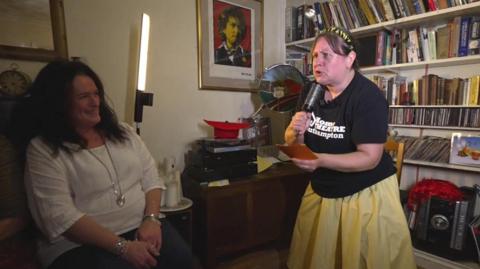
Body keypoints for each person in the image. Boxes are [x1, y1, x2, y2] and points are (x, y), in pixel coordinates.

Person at [21, 60, 192, 269]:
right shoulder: (43, 149)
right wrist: (124, 248)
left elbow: (151, 179)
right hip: (78, 244)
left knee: (182, 259)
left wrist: (152, 219)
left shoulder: (125, 132)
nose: (95, 102)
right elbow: (60, 216)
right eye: (84, 97)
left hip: (142, 225)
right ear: (58, 103)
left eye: (96, 94)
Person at [284, 27, 416, 269]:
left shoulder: (368, 97)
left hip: (365, 193)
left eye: (326, 55)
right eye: (315, 56)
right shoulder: (310, 91)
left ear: (350, 59)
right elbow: (295, 141)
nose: (317, 63)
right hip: (324, 188)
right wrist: (294, 133)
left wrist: (319, 160)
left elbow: (370, 158)